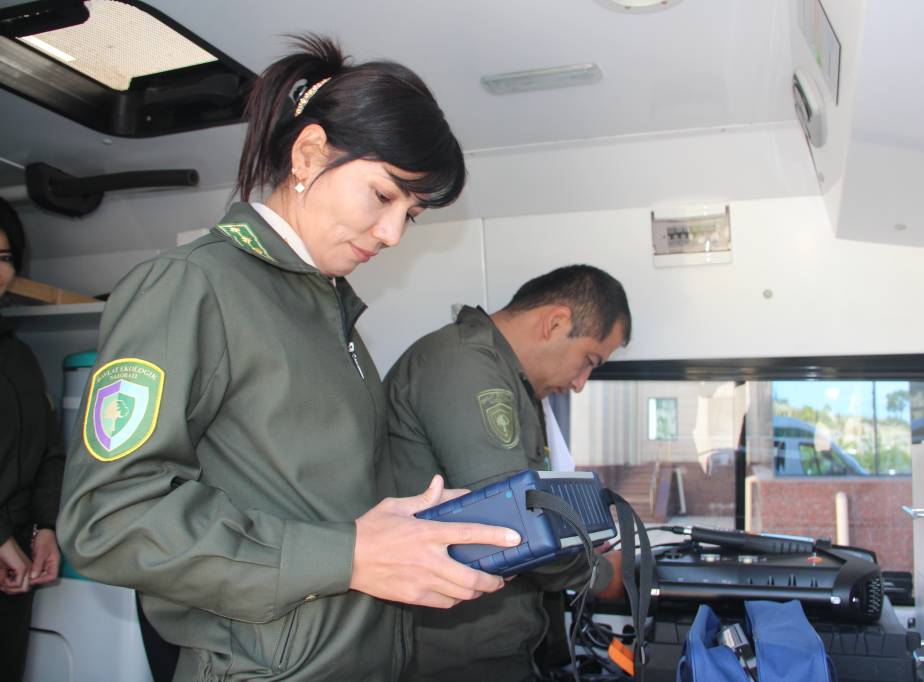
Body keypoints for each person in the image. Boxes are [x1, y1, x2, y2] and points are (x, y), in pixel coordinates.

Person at [57, 35, 520, 682]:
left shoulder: (330, 312)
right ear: (308, 153)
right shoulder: (193, 287)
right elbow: (110, 520)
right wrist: (349, 554)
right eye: (383, 196)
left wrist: (416, 528)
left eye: (411, 215)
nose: (392, 234)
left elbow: (310, 501)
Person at [386, 264, 632, 682]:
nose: (580, 383)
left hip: (496, 642)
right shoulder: (466, 366)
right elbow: (518, 522)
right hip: (455, 653)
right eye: (588, 361)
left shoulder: (513, 382)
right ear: (555, 323)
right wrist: (602, 575)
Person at [0, 198, 65, 682]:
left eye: (4, 258)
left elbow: (48, 449)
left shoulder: (18, 357)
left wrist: (46, 527)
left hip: (14, 562)